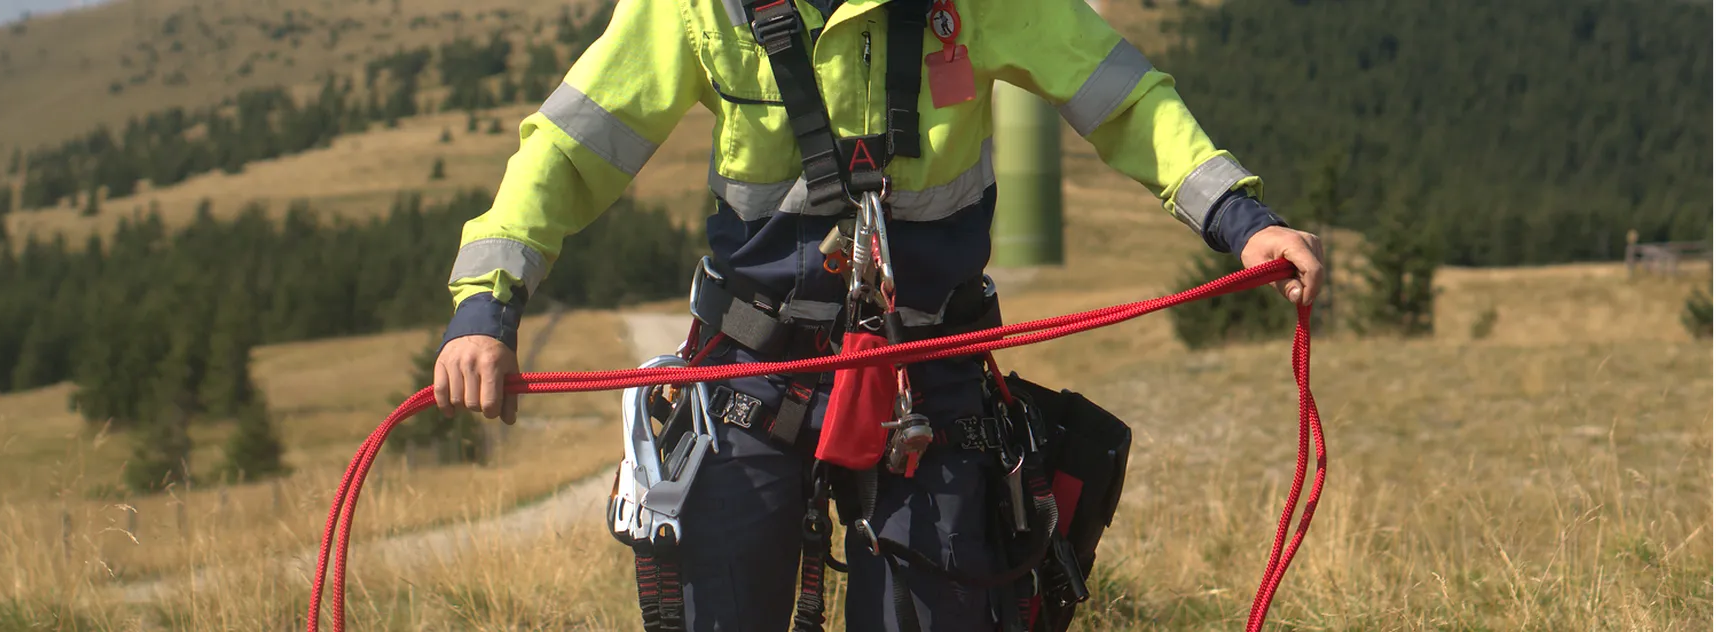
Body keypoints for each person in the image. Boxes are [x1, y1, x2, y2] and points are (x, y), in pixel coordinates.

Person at [431, 0, 1326, 629]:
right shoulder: (699, 6)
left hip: (930, 374)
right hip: (750, 371)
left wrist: (1243, 223)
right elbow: (570, 148)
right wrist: (485, 305)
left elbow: (1125, 99)